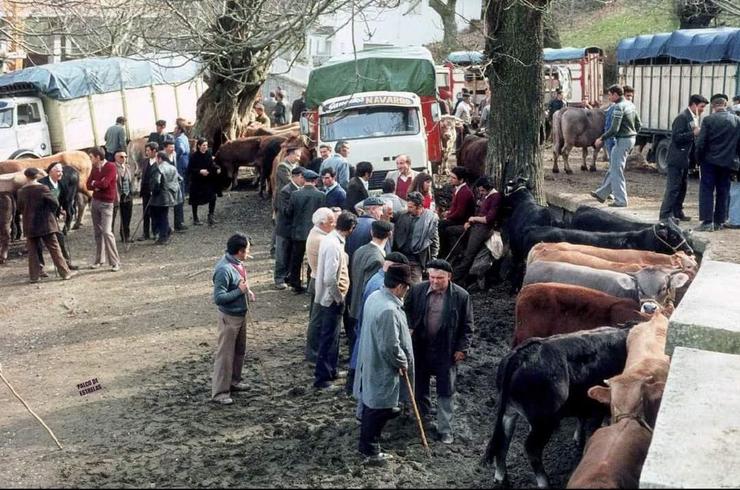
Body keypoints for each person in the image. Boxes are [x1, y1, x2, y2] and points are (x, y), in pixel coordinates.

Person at [404, 258, 474, 445]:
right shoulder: (417, 290)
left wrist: (462, 349)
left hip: (446, 350)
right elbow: (406, 313)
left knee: (445, 391)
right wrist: (409, 329)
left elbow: (467, 326)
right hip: (421, 348)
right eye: (432, 277)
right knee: (420, 387)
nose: (435, 282)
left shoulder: (461, 296)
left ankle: (445, 430)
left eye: (439, 278)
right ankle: (424, 420)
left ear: (449, 277)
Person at [353, 263, 414, 465]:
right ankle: (370, 450)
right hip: (383, 366)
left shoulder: (375, 297)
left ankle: (367, 444)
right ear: (399, 286)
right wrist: (402, 362)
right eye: (406, 286)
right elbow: (391, 347)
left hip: (370, 359)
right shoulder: (389, 309)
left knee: (373, 403)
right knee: (378, 407)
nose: (407, 290)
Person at [346, 220, 394, 392]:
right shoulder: (378, 259)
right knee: (362, 345)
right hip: (365, 307)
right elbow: (373, 289)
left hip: (354, 303)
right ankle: (354, 381)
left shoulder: (360, 250)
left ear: (372, 232)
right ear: (389, 235)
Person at [313, 211, 357, 390]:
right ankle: (322, 378)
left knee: (334, 336)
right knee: (328, 338)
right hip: (332, 299)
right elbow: (330, 278)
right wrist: (339, 297)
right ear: (351, 228)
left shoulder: (333, 239)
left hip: (333, 297)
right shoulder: (333, 244)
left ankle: (331, 370)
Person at [211, 233, 256, 405]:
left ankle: (234, 381)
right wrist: (240, 292)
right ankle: (220, 392)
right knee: (225, 355)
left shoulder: (236, 263)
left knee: (239, 352)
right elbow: (219, 298)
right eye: (247, 250)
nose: (248, 253)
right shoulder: (224, 269)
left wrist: (247, 291)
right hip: (229, 318)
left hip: (240, 314)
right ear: (240, 251)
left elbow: (240, 283)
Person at [17, 168, 75, 283]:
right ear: (37, 176)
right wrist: (51, 212)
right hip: (45, 223)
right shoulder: (42, 188)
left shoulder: (21, 191)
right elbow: (55, 203)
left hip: (30, 224)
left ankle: (34, 276)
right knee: (54, 248)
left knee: (32, 251)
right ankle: (65, 273)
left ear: (26, 177)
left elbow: (20, 207)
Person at [659, 94, 709, 222]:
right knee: (673, 188)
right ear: (693, 105)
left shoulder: (693, 117)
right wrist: (693, 133)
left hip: (686, 159)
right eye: (701, 107)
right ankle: (665, 215)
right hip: (677, 158)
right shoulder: (682, 118)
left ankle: (677, 212)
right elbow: (676, 137)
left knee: (682, 187)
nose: (703, 109)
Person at [694, 93, 740, 232]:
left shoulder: (708, 120)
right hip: (728, 162)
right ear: (725, 105)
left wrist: (698, 159)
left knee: (707, 190)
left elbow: (701, 143)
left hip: (709, 162)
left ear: (713, 106)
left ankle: (707, 222)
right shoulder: (737, 120)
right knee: (723, 191)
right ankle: (719, 221)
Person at [592, 85, 642, 208]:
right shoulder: (631, 105)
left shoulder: (618, 108)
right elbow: (639, 124)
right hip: (630, 139)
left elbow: (614, 129)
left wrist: (601, 138)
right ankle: (602, 193)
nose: (608, 97)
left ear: (615, 94)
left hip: (622, 140)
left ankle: (621, 200)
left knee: (616, 171)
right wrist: (632, 134)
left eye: (609, 94)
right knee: (614, 168)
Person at [449, 176, 502, 282]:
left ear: (489, 188)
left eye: (482, 190)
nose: (481, 193)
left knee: (469, 254)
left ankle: (455, 278)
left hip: (484, 228)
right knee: (450, 231)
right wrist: (469, 222)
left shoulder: (496, 197)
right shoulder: (486, 196)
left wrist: (474, 218)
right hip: (475, 225)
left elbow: (489, 219)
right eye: (480, 190)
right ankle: (458, 254)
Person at [305, 207, 337, 363]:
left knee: (316, 318)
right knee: (318, 320)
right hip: (320, 282)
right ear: (322, 223)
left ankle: (313, 351)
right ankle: (313, 353)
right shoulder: (322, 240)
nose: (334, 224)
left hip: (315, 279)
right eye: (331, 221)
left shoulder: (316, 232)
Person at [286, 169, 325, 293]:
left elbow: (289, 212)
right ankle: (310, 284)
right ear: (315, 180)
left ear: (304, 179)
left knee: (296, 259)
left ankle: (295, 284)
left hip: (298, 232)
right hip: (314, 232)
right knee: (312, 260)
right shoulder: (321, 195)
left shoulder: (295, 194)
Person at [86, 147, 121, 271]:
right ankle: (99, 260)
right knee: (97, 233)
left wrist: (96, 184)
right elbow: (88, 184)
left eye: (91, 157)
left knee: (107, 232)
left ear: (97, 157)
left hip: (107, 204)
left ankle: (115, 262)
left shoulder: (111, 167)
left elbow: (105, 184)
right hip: (95, 202)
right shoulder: (95, 168)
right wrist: (97, 183)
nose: (90, 159)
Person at [393, 191, 440, 284]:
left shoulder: (430, 219)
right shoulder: (402, 215)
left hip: (416, 260)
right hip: (402, 258)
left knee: (416, 287)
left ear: (419, 207)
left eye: (411, 207)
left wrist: (432, 262)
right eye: (408, 206)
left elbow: (434, 242)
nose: (408, 209)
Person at [38, 162, 77, 270]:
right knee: (39, 243)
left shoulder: (61, 184)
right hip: (40, 217)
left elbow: (62, 199)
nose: (61, 173)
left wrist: (62, 209)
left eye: (61, 171)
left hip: (52, 217)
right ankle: (39, 268)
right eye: (58, 171)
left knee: (60, 238)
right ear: (51, 172)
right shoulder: (41, 184)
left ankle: (66, 263)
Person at [274, 167, 305, 290]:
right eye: (302, 177)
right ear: (295, 177)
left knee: (293, 255)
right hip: (285, 229)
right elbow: (285, 211)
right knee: (282, 255)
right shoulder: (286, 191)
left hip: (296, 230)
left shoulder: (301, 190)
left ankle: (290, 277)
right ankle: (279, 278)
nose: (303, 180)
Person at [438, 166, 475, 257]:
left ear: (461, 180)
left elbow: (460, 213)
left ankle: (443, 252)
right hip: (457, 218)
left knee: (440, 225)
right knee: (439, 224)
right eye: (450, 177)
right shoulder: (458, 189)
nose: (451, 179)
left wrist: (448, 217)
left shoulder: (464, 192)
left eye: (453, 178)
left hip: (462, 221)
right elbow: (455, 207)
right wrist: (448, 212)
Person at [149, 151, 181, 245]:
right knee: (164, 215)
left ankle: (163, 236)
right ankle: (167, 230)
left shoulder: (159, 168)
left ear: (159, 158)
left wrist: (153, 192)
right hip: (170, 195)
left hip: (160, 197)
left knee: (159, 216)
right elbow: (180, 179)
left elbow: (156, 182)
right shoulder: (173, 168)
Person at [188, 138, 221, 226]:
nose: (205, 147)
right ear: (199, 146)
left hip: (207, 181)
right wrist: (200, 171)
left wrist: (217, 168)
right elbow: (189, 169)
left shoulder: (208, 154)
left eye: (206, 145)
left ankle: (210, 216)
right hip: (197, 181)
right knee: (195, 201)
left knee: (213, 197)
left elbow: (211, 164)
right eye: (203, 145)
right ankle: (195, 218)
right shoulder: (194, 156)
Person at [345, 196, 387, 261]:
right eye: (380, 210)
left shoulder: (352, 223)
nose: (382, 213)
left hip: (351, 265)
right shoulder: (377, 226)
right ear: (373, 210)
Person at [163, 139, 187, 232]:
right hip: (166, 183)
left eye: (173, 147)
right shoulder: (161, 156)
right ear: (165, 148)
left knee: (179, 202)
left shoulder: (174, 154)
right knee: (166, 205)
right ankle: (166, 226)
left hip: (175, 182)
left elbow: (175, 168)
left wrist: (179, 177)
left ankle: (179, 223)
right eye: (170, 147)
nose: (172, 149)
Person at [137, 142, 159, 241]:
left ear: (154, 151)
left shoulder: (159, 162)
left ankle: (156, 232)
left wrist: (154, 189)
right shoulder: (145, 161)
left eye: (148, 150)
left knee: (155, 212)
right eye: (146, 151)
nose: (146, 152)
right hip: (145, 191)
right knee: (145, 212)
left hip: (155, 192)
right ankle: (145, 233)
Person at [112, 151, 134, 243]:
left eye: (125, 156)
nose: (124, 158)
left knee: (127, 217)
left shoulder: (128, 167)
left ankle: (125, 235)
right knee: (112, 218)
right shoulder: (112, 167)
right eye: (121, 157)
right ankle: (110, 237)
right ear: (116, 158)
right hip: (116, 196)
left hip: (127, 196)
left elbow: (130, 181)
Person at [174, 122, 191, 199]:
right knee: (185, 178)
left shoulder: (178, 139)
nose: (174, 130)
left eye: (176, 129)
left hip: (180, 161)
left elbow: (181, 149)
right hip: (187, 160)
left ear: (179, 130)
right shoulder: (185, 137)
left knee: (181, 179)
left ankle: (182, 197)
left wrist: (176, 157)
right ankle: (186, 194)